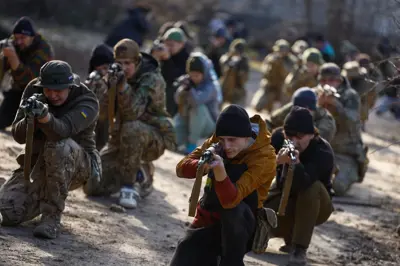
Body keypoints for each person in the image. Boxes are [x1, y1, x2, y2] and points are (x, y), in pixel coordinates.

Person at [0, 60, 100, 239]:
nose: (53, 95)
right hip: (37, 165)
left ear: (69, 86)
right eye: (48, 90)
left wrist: (45, 118)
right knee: (8, 214)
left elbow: (63, 130)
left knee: (57, 144)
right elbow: (18, 135)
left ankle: (52, 216)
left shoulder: (87, 100)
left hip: (76, 165)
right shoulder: (34, 89)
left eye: (58, 90)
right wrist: (29, 119)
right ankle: (33, 193)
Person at [169, 104, 277, 266]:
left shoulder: (264, 157)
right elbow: (181, 168)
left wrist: (220, 170)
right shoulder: (220, 139)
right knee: (185, 252)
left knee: (234, 211)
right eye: (222, 140)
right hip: (210, 216)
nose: (226, 146)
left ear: (247, 138)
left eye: (232, 140)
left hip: (241, 225)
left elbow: (231, 200)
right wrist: (202, 165)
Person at [85, 39, 176, 209]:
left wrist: (122, 87)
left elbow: (134, 112)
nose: (124, 68)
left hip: (151, 137)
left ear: (137, 61)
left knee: (132, 127)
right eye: (119, 63)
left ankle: (131, 183)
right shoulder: (116, 77)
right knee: (92, 186)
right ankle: (136, 172)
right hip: (120, 140)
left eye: (127, 63)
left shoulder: (152, 79)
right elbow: (103, 115)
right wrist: (105, 87)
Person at [264, 106, 334, 266]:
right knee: (251, 234)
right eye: (289, 136)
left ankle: (299, 247)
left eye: (300, 136)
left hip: (316, 206)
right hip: (284, 202)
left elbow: (303, 183)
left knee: (312, 188)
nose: (294, 141)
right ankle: (288, 233)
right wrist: (275, 162)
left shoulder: (322, 151)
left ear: (311, 134)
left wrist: (295, 163)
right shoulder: (277, 138)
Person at [317, 63, 368, 193]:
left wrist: (336, 105)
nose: (327, 83)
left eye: (331, 80)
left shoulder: (350, 96)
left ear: (339, 80)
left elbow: (352, 123)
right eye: (323, 80)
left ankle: (354, 170)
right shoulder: (314, 93)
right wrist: (318, 106)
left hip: (344, 153)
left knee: (335, 187)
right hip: (320, 150)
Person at [0, 16, 53, 130]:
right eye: (16, 38)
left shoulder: (43, 49)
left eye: (23, 38)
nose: (19, 42)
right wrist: (4, 56)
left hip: (39, 94)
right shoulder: (13, 44)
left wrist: (13, 58)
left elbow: (30, 79)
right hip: (17, 91)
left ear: (32, 37)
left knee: (32, 128)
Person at [174, 53, 221, 154]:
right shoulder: (189, 82)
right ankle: (179, 141)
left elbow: (197, 101)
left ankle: (192, 144)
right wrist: (182, 89)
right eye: (192, 75)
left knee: (199, 108)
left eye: (197, 75)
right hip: (190, 122)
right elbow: (178, 101)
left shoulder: (211, 86)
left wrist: (190, 89)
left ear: (204, 73)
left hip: (208, 127)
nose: (194, 78)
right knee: (181, 112)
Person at [267, 87, 337, 143]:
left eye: (304, 109)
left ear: (310, 108)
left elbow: (315, 141)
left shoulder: (326, 120)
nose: (299, 112)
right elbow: (270, 123)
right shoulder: (294, 107)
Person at [251, 39, 297, 113]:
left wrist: (281, 64)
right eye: (279, 51)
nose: (281, 53)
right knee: (257, 106)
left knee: (285, 107)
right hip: (270, 85)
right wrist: (273, 65)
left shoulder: (291, 60)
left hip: (283, 87)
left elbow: (290, 74)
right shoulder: (271, 58)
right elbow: (264, 72)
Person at [152, 28, 190, 117]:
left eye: (172, 45)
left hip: (174, 101)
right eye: (166, 44)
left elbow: (175, 78)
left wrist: (167, 60)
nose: (168, 47)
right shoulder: (161, 52)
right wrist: (155, 58)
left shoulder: (186, 58)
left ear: (181, 44)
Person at [84, 44, 114, 150]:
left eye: (107, 67)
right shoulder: (94, 79)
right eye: (102, 68)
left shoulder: (115, 80)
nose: (105, 71)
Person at [219, 39, 249, 106]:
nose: (238, 54)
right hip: (224, 88)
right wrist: (230, 61)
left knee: (239, 110)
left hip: (237, 90)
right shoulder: (227, 57)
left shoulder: (244, 60)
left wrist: (239, 65)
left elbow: (245, 77)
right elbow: (222, 63)